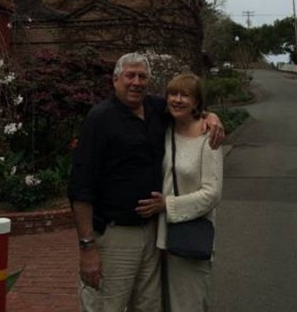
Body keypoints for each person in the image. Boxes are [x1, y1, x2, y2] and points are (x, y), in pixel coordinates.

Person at [68, 52, 224, 312]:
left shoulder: (154, 109)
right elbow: (80, 189)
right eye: (130, 75)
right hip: (116, 235)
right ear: (115, 79)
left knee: (149, 306)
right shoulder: (100, 119)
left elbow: (185, 105)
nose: (136, 82)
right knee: (108, 305)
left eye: (142, 77)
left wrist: (211, 116)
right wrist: (87, 247)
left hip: (153, 235)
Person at [136, 72, 223, 312]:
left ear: (197, 102)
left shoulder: (208, 138)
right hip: (157, 236)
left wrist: (168, 205)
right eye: (173, 94)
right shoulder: (164, 130)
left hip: (189, 235)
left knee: (188, 304)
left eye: (185, 95)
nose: (177, 100)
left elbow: (212, 194)